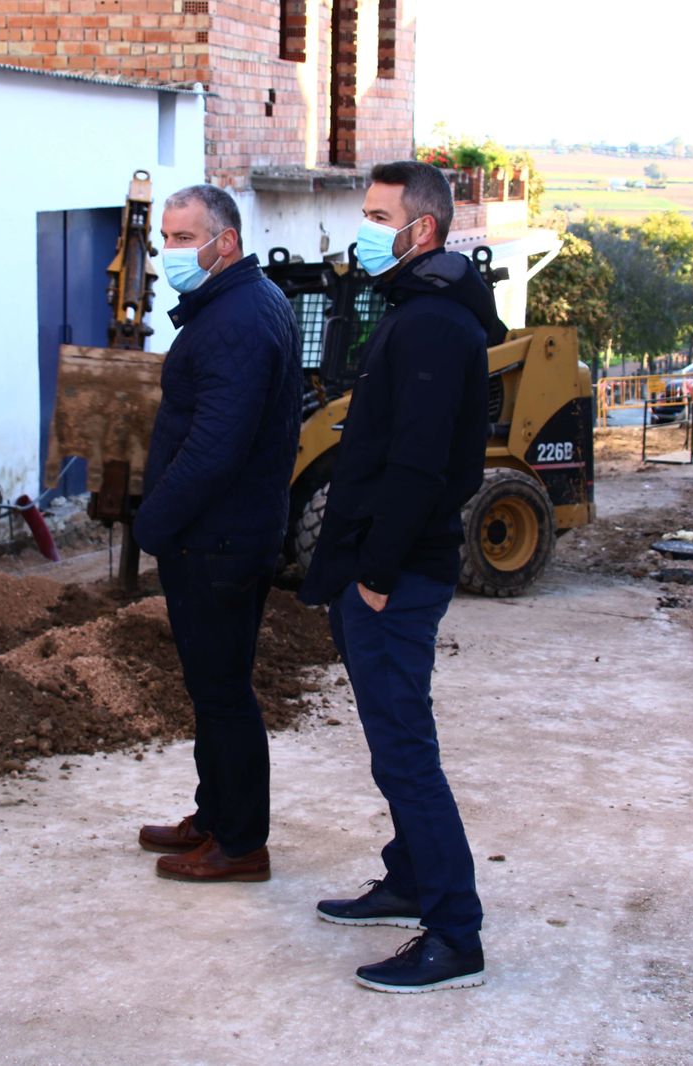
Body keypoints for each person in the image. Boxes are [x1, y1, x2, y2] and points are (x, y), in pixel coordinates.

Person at [299, 160, 504, 993]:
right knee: (393, 747)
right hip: (380, 568)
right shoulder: (419, 311)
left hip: (396, 574)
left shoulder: (432, 326)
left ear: (424, 230)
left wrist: (377, 573)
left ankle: (454, 933)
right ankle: (412, 877)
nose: (365, 230)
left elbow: (421, 467)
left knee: (407, 753)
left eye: (380, 217)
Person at [132, 184, 302, 882]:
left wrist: (153, 521)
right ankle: (214, 816)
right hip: (223, 534)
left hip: (219, 541)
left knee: (224, 692)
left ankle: (240, 843)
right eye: (165, 238)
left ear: (224, 242)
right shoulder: (239, 304)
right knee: (212, 688)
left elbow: (214, 448)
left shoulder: (237, 320)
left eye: (182, 238)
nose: (169, 251)